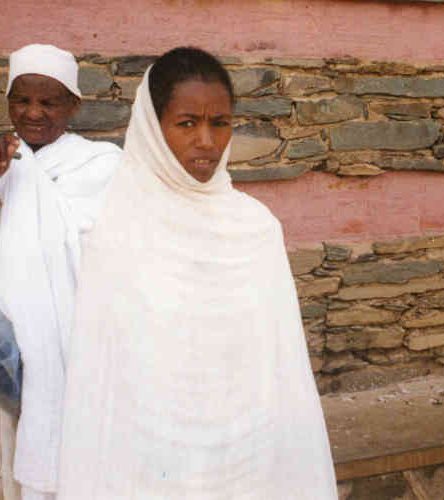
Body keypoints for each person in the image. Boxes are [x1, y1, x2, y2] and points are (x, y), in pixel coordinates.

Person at [57, 47, 338, 499]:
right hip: (145, 463)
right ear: (153, 126)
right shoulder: (111, 228)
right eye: (187, 123)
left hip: (246, 460)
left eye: (220, 123)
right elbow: (103, 383)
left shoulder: (255, 227)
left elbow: (278, 373)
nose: (206, 141)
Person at [0, 44, 122, 500]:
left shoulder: (101, 164)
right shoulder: (4, 159)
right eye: (21, 100)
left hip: (69, 334)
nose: (33, 112)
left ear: (73, 105)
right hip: (6, 341)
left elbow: (101, 246)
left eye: (48, 101)